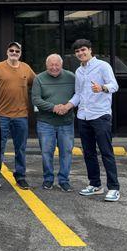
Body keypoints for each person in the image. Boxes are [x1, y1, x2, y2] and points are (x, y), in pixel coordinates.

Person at [58, 39, 121, 202]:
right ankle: (95, 185)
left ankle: (114, 188)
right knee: (89, 153)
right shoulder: (79, 71)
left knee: (106, 152)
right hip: (83, 117)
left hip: (100, 116)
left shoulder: (103, 66)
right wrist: (67, 106)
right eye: (77, 51)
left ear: (90, 50)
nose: (80, 53)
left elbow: (114, 85)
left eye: (83, 50)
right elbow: (78, 94)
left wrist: (102, 88)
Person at [0, 42, 36, 190]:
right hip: (1, 115)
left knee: (20, 149)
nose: (14, 52)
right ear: (7, 51)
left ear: (20, 53)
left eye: (17, 51)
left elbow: (37, 84)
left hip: (21, 116)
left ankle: (20, 177)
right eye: (12, 50)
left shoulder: (26, 68)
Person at [31, 54, 76, 192]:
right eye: (51, 65)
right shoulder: (39, 79)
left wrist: (67, 106)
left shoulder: (71, 77)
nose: (54, 67)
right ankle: (48, 179)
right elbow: (36, 99)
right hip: (46, 123)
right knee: (46, 152)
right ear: (46, 65)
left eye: (57, 65)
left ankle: (64, 181)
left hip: (66, 122)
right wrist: (54, 107)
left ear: (61, 65)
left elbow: (78, 95)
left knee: (66, 152)